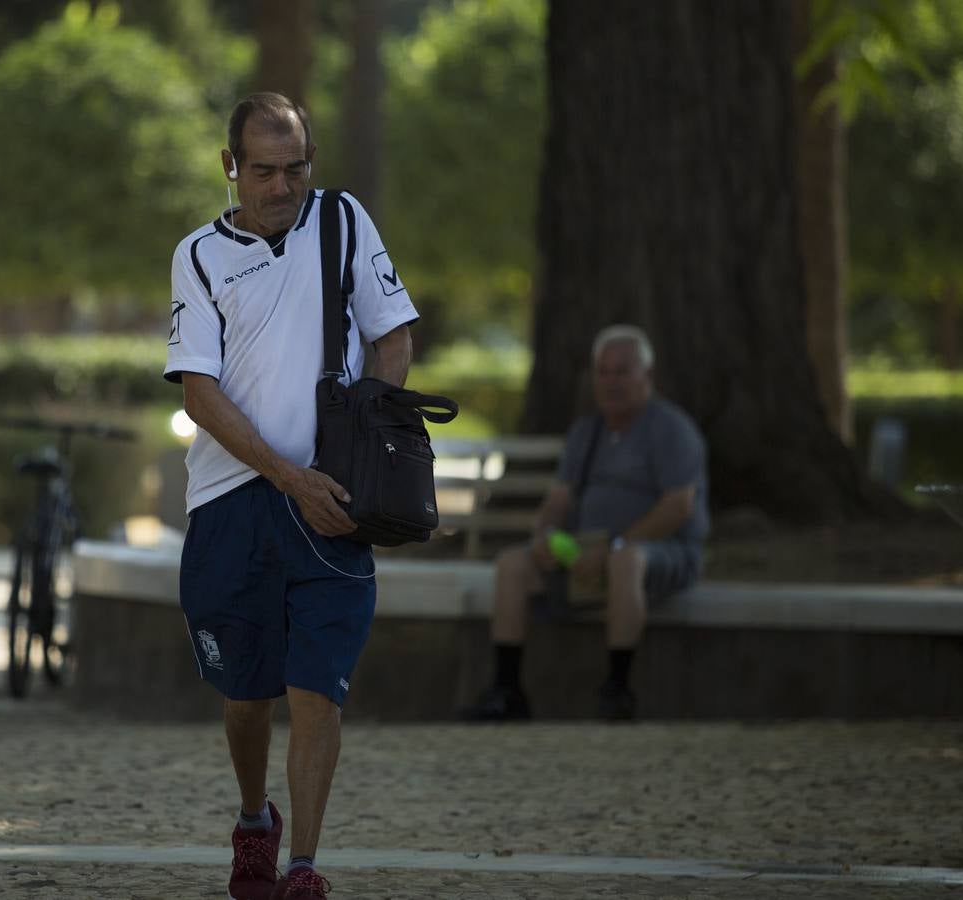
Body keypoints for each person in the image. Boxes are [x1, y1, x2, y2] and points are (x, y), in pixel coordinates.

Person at [164, 93, 417, 900]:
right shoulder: (198, 255)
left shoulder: (344, 223)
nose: (282, 187)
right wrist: (287, 475)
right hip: (232, 500)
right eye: (264, 171)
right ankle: (253, 820)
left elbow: (395, 337)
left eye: (296, 168)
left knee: (318, 688)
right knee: (246, 698)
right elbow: (198, 391)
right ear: (229, 167)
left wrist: (357, 449)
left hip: (336, 502)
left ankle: (303, 867)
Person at [463, 324, 709, 722]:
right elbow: (560, 498)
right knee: (513, 565)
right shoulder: (587, 430)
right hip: (587, 552)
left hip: (659, 555)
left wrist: (612, 547)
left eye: (622, 371)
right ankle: (506, 691)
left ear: (647, 376)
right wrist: (543, 535)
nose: (611, 381)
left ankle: (618, 689)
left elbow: (677, 507)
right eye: (603, 371)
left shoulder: (671, 430)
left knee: (625, 561)